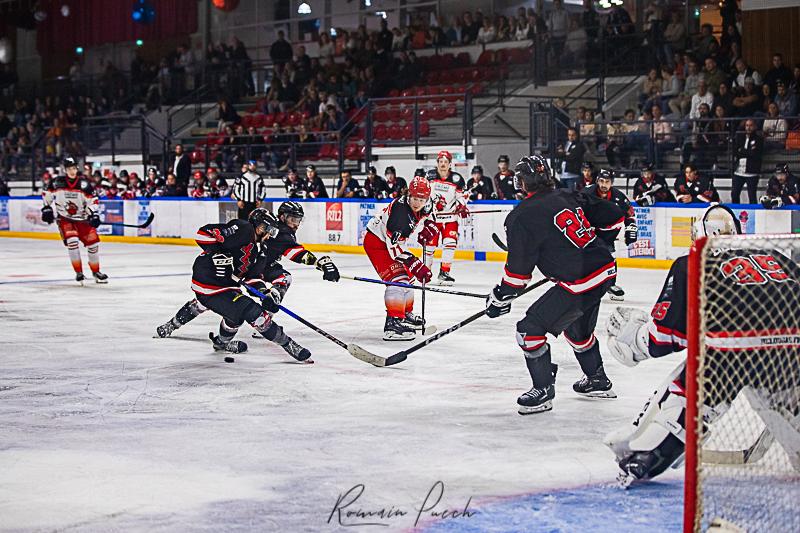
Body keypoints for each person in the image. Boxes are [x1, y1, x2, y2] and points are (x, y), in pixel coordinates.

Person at [604, 204, 800, 485]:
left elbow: (664, 338)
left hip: (730, 358)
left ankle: (649, 455)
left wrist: (631, 341)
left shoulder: (691, 262)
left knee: (689, 391)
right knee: (785, 399)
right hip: (792, 354)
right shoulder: (775, 255)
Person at [485, 155, 625, 414]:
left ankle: (543, 390)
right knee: (577, 332)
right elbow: (615, 217)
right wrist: (593, 244)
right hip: (605, 272)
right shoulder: (568, 195)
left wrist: (498, 298)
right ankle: (597, 380)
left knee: (529, 331)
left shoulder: (521, 217)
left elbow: (516, 278)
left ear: (521, 183)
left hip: (580, 282)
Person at [157, 202, 340, 340]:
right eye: (293, 219)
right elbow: (294, 252)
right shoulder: (277, 231)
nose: (296, 224)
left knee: (207, 301)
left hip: (257, 267)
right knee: (283, 278)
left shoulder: (275, 229)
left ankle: (173, 325)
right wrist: (319, 262)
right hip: (258, 267)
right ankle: (265, 315)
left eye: (298, 220)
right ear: (282, 217)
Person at [363, 175, 435, 340]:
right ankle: (393, 323)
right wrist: (416, 265)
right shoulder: (399, 215)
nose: (417, 203)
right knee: (399, 278)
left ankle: (404, 313)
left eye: (422, 200)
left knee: (408, 278)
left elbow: (431, 212)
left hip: (389, 243)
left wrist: (430, 227)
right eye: (415, 198)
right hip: (377, 243)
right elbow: (394, 249)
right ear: (409, 194)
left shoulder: (426, 204)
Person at [41, 157, 107, 284]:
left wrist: (92, 213)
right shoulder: (56, 183)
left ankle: (96, 271)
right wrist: (46, 208)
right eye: (69, 169)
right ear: (65, 170)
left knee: (93, 245)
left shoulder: (85, 184)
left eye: (74, 168)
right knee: (72, 241)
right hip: (65, 220)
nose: (72, 171)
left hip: (83, 220)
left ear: (77, 168)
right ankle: (79, 272)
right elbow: (46, 195)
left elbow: (93, 201)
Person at [585, 169, 638, 301]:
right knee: (586, 258)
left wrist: (631, 228)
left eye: (607, 182)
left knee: (610, 258)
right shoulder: (587, 193)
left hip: (608, 234)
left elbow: (630, 214)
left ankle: (610, 285)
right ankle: (583, 283)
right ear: (597, 181)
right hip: (588, 232)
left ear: (612, 183)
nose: (604, 184)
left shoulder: (618, 197)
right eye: (601, 181)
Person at [425, 151, 468, 285]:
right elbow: (424, 194)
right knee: (429, 247)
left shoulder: (457, 179)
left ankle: (444, 272)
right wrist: (429, 205)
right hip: (433, 218)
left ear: (450, 164)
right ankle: (424, 272)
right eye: (440, 161)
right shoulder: (430, 176)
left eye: (445, 162)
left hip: (450, 219)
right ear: (437, 163)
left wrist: (461, 206)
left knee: (450, 244)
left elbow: (463, 196)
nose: (443, 164)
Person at [731, 119, 764, 205]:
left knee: (752, 196)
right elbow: (735, 152)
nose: (748, 128)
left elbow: (755, 154)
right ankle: (735, 212)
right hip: (738, 172)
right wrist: (747, 151)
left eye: (751, 125)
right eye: (747, 125)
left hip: (752, 172)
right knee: (734, 194)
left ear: (755, 127)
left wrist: (742, 151)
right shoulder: (739, 138)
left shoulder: (759, 139)